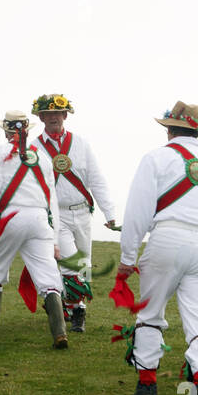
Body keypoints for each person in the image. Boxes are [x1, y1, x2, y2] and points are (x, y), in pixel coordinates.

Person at [116, 101, 198, 395]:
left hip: (167, 238)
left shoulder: (156, 157)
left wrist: (127, 258)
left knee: (151, 314)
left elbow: (137, 211)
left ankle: (146, 388)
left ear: (169, 129)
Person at [0, 109, 69, 349]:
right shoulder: (42, 157)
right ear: (26, 129)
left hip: (10, 218)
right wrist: (54, 238)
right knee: (47, 277)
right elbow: (51, 199)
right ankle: (59, 332)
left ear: (6, 130)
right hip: (39, 220)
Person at [31, 93, 119, 333]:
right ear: (41, 117)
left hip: (82, 213)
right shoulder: (34, 148)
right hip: (55, 216)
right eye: (48, 114)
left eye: (57, 113)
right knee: (72, 262)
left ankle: (61, 301)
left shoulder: (81, 144)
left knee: (84, 264)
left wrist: (109, 212)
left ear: (65, 115)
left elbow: (96, 178)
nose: (53, 118)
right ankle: (78, 309)